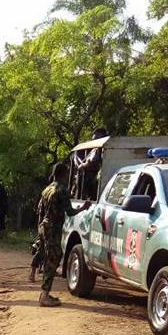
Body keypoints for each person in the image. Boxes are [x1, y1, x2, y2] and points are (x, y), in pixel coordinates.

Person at [37, 161, 90, 307]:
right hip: (53, 228)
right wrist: (84, 207)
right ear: (63, 174)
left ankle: (45, 293)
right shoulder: (61, 190)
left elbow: (41, 211)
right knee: (53, 259)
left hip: (45, 226)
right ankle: (44, 295)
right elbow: (70, 212)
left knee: (51, 257)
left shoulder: (47, 189)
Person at [72, 127, 109, 200]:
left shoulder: (104, 147)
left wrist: (83, 165)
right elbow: (88, 160)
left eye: (97, 138)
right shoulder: (94, 149)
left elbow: (93, 161)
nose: (94, 140)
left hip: (98, 174)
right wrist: (82, 165)